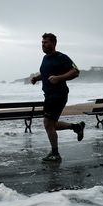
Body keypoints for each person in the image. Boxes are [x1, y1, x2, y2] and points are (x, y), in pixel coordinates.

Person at [31, 33, 85, 162]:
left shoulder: (61, 57)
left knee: (47, 123)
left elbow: (76, 72)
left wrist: (59, 78)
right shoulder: (45, 58)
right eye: (42, 42)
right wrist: (36, 78)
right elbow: (45, 73)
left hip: (58, 95)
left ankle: (55, 153)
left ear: (54, 43)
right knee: (51, 125)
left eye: (46, 42)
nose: (43, 44)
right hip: (49, 95)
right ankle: (76, 127)